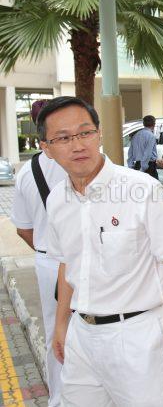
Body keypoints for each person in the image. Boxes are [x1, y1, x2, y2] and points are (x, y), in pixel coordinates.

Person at [38, 96, 163, 406]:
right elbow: (67, 266)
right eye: (63, 138)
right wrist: (61, 325)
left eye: (85, 132)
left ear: (99, 133)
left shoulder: (142, 190)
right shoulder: (57, 199)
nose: (77, 145)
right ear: (46, 147)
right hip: (82, 336)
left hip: (138, 338)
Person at [11, 99, 66, 407]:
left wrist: (47, 250)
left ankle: (59, 399)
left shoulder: (25, 173)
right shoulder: (86, 158)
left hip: (47, 261)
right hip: (87, 259)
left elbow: (22, 228)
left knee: (53, 330)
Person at [127, 114, 158, 179]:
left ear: (143, 124)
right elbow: (147, 153)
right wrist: (143, 168)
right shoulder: (151, 136)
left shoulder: (135, 135)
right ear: (154, 124)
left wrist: (131, 166)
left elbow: (130, 153)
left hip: (137, 165)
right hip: (148, 166)